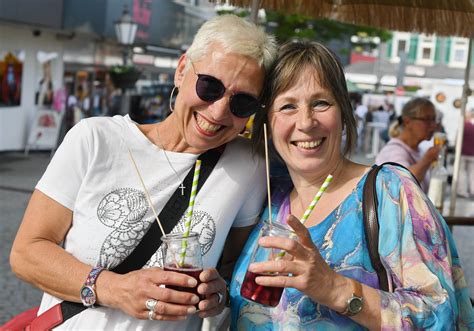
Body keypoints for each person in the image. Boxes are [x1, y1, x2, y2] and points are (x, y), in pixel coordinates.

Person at [10, 15, 276, 330]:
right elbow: (26, 253)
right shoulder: (95, 139)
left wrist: (218, 295)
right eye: (210, 86)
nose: (218, 111)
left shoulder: (249, 167)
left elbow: (233, 271)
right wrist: (113, 289)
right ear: (181, 70)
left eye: (242, 103)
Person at [230, 41, 474, 330]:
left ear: (344, 114)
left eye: (321, 103)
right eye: (287, 106)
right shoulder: (266, 196)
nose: (306, 122)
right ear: (267, 123)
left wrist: (335, 288)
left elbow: (440, 314)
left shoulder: (391, 192)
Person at [375, 98, 441, 192]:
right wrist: (428, 158)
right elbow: (405, 184)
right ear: (407, 122)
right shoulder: (394, 151)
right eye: (427, 119)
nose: (433, 125)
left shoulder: (420, 150)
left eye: (434, 119)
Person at [457, 110, 474, 198]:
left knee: (462, 172)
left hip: (463, 153)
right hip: (472, 154)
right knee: (472, 173)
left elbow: (458, 140)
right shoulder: (472, 127)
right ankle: (472, 190)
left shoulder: (463, 127)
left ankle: (462, 191)